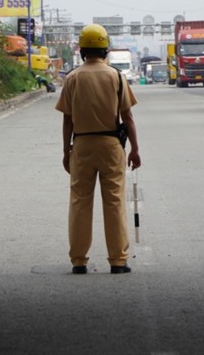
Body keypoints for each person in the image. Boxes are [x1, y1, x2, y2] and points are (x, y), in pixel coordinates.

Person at [56, 24, 141, 275]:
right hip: (111, 145)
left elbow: (67, 120)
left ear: (82, 50)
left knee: (80, 202)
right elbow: (128, 117)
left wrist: (66, 151)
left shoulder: (72, 78)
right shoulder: (116, 77)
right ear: (106, 49)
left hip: (82, 144)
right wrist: (135, 149)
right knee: (114, 201)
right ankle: (118, 260)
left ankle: (79, 261)